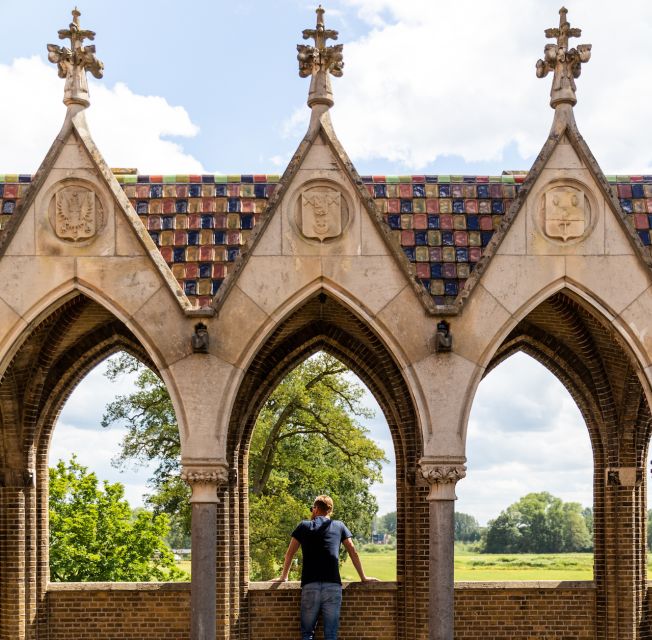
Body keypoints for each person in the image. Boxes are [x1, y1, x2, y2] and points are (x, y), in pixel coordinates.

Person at [277, 494, 377, 640]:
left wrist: (284, 576)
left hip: (310, 585)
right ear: (330, 510)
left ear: (316, 509)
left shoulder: (304, 526)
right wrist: (363, 577)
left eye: (313, 508)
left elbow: (289, 554)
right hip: (332, 586)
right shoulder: (339, 526)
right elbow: (353, 552)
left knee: (307, 633)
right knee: (330, 634)